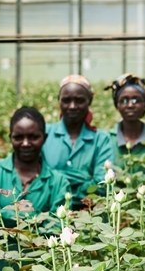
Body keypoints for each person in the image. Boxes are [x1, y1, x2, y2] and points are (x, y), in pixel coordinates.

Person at [0, 107, 70, 252]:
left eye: (33, 137)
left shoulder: (58, 183)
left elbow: (57, 229)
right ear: (10, 137)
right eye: (18, 137)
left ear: (45, 137)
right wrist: (35, 219)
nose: (25, 143)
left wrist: (3, 220)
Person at [42, 75, 115, 209]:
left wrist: (56, 178)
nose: (72, 106)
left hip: (90, 217)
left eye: (80, 100)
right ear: (59, 101)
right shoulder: (44, 133)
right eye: (66, 100)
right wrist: (84, 178)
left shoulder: (101, 139)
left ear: (90, 101)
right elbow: (35, 180)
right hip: (49, 216)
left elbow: (103, 186)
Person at [103, 73, 145, 175]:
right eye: (124, 100)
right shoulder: (106, 140)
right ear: (117, 105)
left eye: (136, 100)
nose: (130, 105)